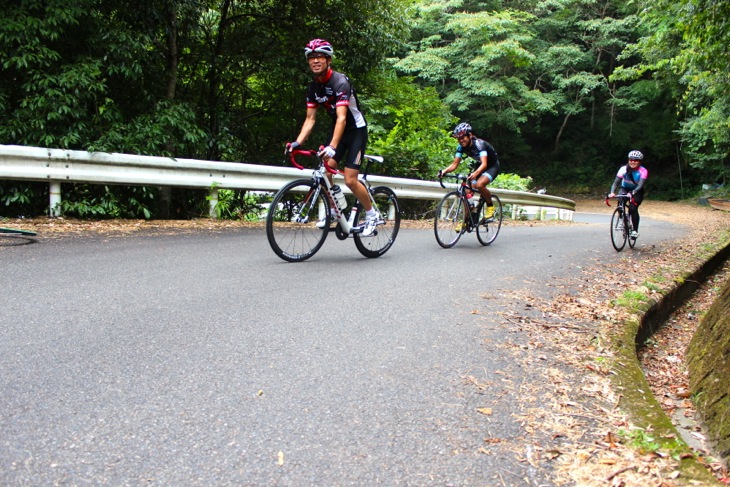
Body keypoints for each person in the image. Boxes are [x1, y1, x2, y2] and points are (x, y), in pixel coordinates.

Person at [285, 38, 380, 236]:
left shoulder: (340, 81)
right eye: (311, 57)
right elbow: (310, 119)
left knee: (351, 180)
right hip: (338, 131)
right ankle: (336, 211)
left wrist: (333, 146)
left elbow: (342, 118)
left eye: (320, 56)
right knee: (325, 173)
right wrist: (297, 142)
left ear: (328, 60)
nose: (315, 61)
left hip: (355, 131)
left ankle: (372, 215)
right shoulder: (313, 88)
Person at [438, 122, 500, 227]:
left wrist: (475, 173)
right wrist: (444, 171)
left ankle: (490, 207)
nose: (461, 140)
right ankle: (466, 219)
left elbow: (484, 164)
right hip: (480, 165)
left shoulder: (479, 145)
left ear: (470, 135)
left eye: (463, 137)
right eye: (459, 138)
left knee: (480, 184)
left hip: (492, 166)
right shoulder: (460, 147)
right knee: (467, 191)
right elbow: (454, 164)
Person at [608, 150, 648, 239]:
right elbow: (615, 183)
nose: (633, 162)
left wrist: (633, 192)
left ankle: (634, 231)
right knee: (620, 200)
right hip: (625, 188)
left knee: (633, 208)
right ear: (628, 160)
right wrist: (612, 192)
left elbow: (640, 185)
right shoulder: (623, 169)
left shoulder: (643, 171)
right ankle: (623, 219)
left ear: (639, 161)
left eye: (636, 160)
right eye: (631, 159)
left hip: (637, 190)